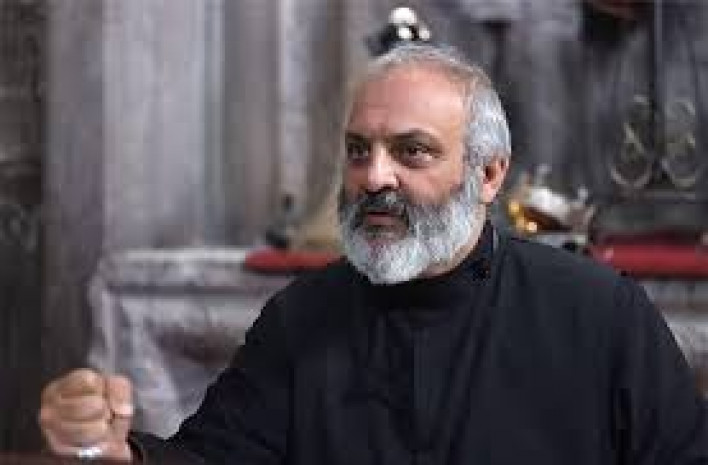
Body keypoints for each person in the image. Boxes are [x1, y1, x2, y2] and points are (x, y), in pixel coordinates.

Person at [38, 44, 707, 464]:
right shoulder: (301, 319)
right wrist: (114, 451)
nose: (374, 177)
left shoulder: (598, 314)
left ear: (489, 173)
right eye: (359, 150)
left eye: (412, 151)